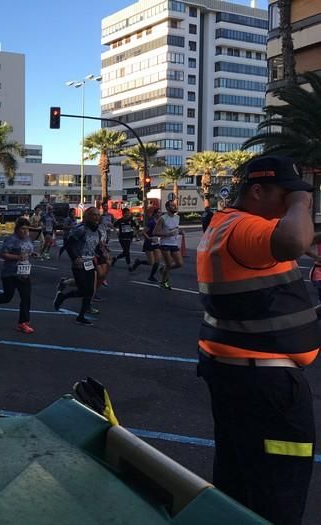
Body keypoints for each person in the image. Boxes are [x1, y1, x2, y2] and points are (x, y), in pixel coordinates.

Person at [197, 156, 319, 525]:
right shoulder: (246, 228)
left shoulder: (224, 225)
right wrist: (303, 200)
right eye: (285, 195)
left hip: (238, 374)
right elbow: (293, 240)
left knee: (240, 481)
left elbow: (257, 304)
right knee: (277, 489)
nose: (290, 205)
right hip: (268, 388)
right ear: (257, 191)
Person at [0, 217, 37, 333]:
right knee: (7, 297)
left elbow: (28, 251)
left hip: (24, 273)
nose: (25, 231)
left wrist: (33, 254)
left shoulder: (28, 239)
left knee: (26, 297)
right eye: (22, 229)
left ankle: (23, 323)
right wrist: (17, 257)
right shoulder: (11, 240)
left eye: (27, 229)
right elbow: (2, 254)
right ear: (17, 229)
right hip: (10, 273)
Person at [53, 207, 103, 325]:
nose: (96, 217)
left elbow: (94, 247)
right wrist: (75, 258)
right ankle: (62, 297)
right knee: (83, 290)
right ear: (87, 216)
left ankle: (80, 317)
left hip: (90, 262)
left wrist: (101, 253)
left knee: (90, 291)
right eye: (94, 215)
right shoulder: (80, 229)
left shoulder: (98, 231)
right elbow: (68, 244)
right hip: (79, 263)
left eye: (98, 215)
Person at [154, 200, 182, 289]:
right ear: (167, 208)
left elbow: (176, 228)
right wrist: (167, 234)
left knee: (179, 264)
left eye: (174, 205)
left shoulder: (177, 217)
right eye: (172, 206)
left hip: (174, 243)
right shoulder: (162, 218)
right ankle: (163, 282)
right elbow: (155, 232)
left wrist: (180, 232)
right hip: (165, 243)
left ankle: (163, 269)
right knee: (169, 264)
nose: (174, 207)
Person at [130, 207, 162, 281]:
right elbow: (143, 232)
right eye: (158, 212)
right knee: (151, 262)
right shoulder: (151, 222)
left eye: (160, 212)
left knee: (157, 260)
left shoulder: (160, 221)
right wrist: (150, 238)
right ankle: (139, 262)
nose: (159, 214)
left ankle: (151, 276)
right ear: (155, 213)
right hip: (149, 242)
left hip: (156, 243)